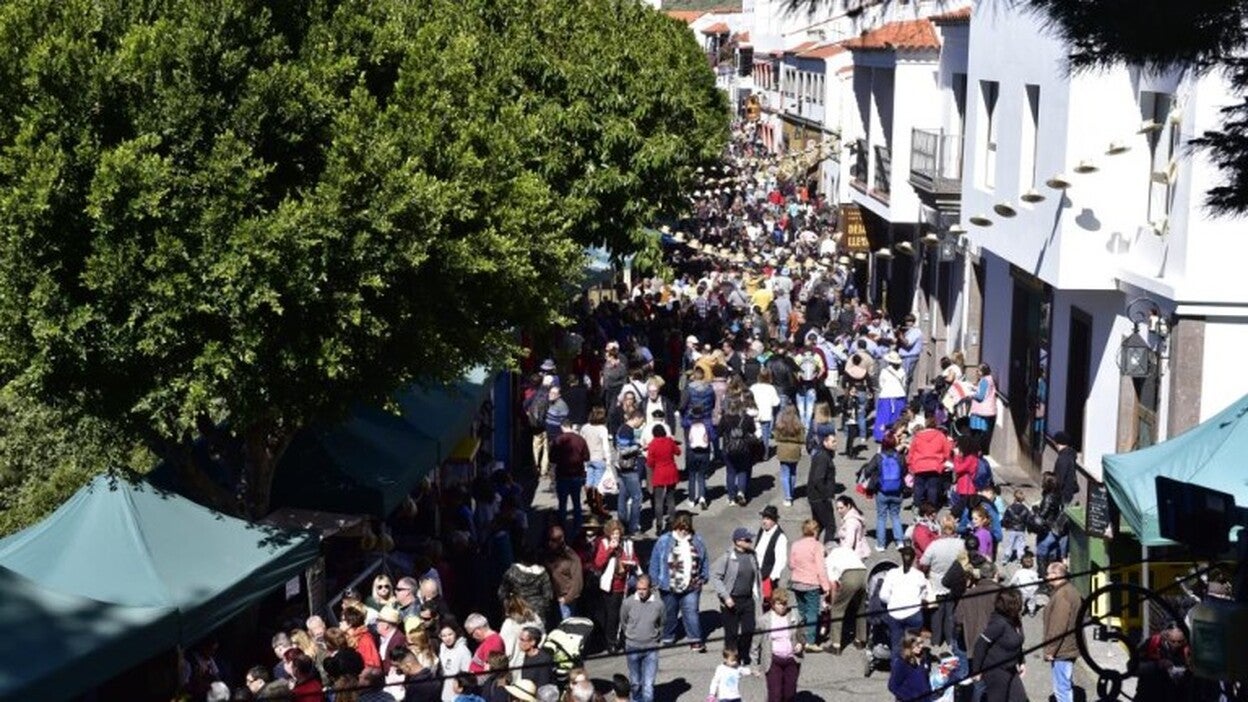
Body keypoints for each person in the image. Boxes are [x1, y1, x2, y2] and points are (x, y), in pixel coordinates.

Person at [649, 512, 709, 650]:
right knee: (669, 613)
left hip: (692, 585)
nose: (683, 531)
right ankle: (668, 636)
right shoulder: (664, 540)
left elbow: (704, 559)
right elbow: (655, 561)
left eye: (686, 528)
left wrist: (704, 576)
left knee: (691, 612)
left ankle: (695, 639)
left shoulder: (697, 540)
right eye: (680, 528)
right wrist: (653, 580)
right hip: (668, 585)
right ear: (675, 526)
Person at [711, 526, 764, 672]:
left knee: (748, 630)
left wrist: (760, 594)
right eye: (747, 539)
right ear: (737, 541)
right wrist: (726, 597)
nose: (750, 541)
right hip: (731, 600)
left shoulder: (752, 555)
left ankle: (741, 656)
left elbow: (757, 576)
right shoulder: (727, 557)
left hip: (747, 599)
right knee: (731, 634)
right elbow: (716, 577)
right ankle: (731, 660)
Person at [593, 519, 641, 654]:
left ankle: (624, 640)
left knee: (626, 614)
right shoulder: (604, 543)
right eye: (613, 534)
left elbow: (635, 559)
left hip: (625, 584)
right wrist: (610, 550)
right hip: (612, 586)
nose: (616, 536)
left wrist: (632, 563)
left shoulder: (627, 543)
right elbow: (598, 562)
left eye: (618, 533)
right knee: (612, 616)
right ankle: (611, 642)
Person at [920, 515, 966, 649]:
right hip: (954, 583)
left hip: (936, 583)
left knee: (937, 614)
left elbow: (924, 562)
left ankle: (936, 640)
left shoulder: (934, 545)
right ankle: (950, 639)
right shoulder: (961, 544)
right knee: (951, 612)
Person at [972, 589, 1027, 702]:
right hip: (996, 671)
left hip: (1011, 668)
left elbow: (1018, 642)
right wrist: (976, 670)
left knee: (1019, 698)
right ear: (1010, 605)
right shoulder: (998, 623)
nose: (1021, 604)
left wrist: (1021, 661)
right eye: (1019, 602)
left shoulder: (1015, 619)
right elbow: (980, 645)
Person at [786, 518, 831, 650]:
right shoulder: (817, 546)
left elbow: (791, 565)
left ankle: (800, 636)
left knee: (802, 610)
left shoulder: (795, 544)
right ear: (815, 531)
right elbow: (821, 568)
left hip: (797, 583)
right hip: (811, 583)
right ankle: (810, 642)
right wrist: (826, 586)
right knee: (812, 612)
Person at [879, 546, 930, 660]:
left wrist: (892, 602)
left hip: (895, 613)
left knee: (896, 644)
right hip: (914, 613)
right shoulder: (919, 575)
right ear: (913, 559)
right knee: (914, 644)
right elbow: (924, 594)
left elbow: (883, 595)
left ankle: (897, 668)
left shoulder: (892, 573)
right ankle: (913, 666)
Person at [620, 574, 664, 702]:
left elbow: (662, 623)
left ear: (650, 588)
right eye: (639, 588)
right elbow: (623, 621)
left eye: (644, 589)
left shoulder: (658, 604)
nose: (641, 592)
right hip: (633, 647)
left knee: (648, 685)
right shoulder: (628, 603)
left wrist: (655, 637)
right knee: (635, 682)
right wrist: (631, 635)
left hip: (651, 648)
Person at [755, 588, 803, 702]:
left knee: (789, 695)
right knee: (775, 695)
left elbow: (801, 633)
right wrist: (754, 665)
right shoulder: (764, 620)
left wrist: (801, 643)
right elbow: (755, 643)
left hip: (792, 659)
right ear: (772, 604)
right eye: (779, 603)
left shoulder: (794, 616)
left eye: (784, 604)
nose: (782, 606)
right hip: (773, 660)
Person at [1043, 562, 1082, 702]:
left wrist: (1050, 650)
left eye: (1048, 574)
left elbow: (1058, 626)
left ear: (1056, 575)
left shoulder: (1062, 595)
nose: (1047, 577)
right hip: (1069, 645)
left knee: (1061, 689)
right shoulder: (1070, 590)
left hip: (1063, 649)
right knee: (1065, 683)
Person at [1132, 623, 1199, 702]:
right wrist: (1156, 665)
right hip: (1148, 695)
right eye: (1173, 641)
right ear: (1165, 637)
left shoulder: (1190, 649)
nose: (1176, 645)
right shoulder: (1152, 644)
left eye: (1181, 642)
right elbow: (1132, 668)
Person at [863, 434, 907, 550]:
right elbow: (905, 471)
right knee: (895, 516)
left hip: (882, 491)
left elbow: (867, 470)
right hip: (897, 491)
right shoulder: (900, 457)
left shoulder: (878, 457)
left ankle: (881, 544)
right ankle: (900, 542)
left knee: (881, 517)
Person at [824, 543, 868, 654]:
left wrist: (833, 603)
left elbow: (833, 584)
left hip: (849, 576)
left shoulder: (830, 558)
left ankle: (836, 645)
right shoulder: (847, 549)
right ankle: (860, 640)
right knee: (860, 608)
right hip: (864, 574)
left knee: (837, 609)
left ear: (827, 551)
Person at [550, 420, 590, 535]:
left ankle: (562, 528)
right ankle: (577, 528)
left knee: (562, 504)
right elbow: (586, 457)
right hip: (577, 475)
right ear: (571, 426)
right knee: (576, 503)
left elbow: (552, 458)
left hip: (562, 475)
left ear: (562, 427)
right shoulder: (580, 440)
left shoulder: (558, 440)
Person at [720, 398, 760, 506]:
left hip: (728, 448)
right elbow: (753, 430)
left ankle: (731, 497)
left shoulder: (725, 418)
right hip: (744, 448)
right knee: (742, 470)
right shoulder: (746, 418)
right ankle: (741, 492)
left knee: (731, 472)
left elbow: (719, 432)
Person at [908, 415, 952, 509]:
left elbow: (911, 452)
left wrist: (910, 464)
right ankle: (931, 508)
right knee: (933, 487)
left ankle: (917, 506)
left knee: (918, 487)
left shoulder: (918, 436)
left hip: (919, 464)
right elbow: (947, 451)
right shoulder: (940, 436)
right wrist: (943, 462)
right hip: (935, 465)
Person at [646, 424, 682, 533]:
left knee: (658, 500)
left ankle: (659, 523)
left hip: (659, 472)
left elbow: (650, 462)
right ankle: (672, 521)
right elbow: (678, 452)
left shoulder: (652, 444)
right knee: (670, 498)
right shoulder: (669, 441)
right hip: (671, 471)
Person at [615, 410, 646, 536]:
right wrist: (638, 448)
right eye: (641, 421)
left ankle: (622, 523)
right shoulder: (627, 430)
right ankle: (633, 527)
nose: (641, 424)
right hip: (629, 468)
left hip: (621, 467)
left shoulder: (622, 428)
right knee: (637, 497)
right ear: (636, 418)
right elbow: (624, 450)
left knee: (623, 495)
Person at [543, 525, 584, 621]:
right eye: (549, 540)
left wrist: (567, 599)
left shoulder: (572, 557)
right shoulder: (548, 554)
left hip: (565, 600)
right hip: (551, 598)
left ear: (561, 539)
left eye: (553, 540)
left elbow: (577, 582)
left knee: (565, 629)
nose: (550, 543)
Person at [580, 407, 613, 520]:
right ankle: (599, 508)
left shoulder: (585, 428)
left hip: (588, 458)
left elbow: (582, 442)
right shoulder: (602, 429)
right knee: (599, 485)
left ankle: (591, 504)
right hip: (599, 458)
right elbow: (605, 446)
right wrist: (608, 461)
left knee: (589, 482)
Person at [808, 428, 839, 542]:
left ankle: (811, 547)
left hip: (815, 496)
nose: (836, 443)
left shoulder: (824, 454)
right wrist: (826, 495)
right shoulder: (823, 457)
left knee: (818, 526)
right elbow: (818, 479)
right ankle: (826, 551)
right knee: (830, 526)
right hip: (820, 498)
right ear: (825, 442)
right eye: (833, 441)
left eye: (835, 441)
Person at [755, 505, 789, 606]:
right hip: (758, 572)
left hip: (768, 575)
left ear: (774, 521)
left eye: (768, 519)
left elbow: (781, 559)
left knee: (769, 601)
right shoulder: (762, 531)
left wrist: (772, 577)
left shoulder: (780, 537)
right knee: (762, 599)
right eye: (764, 518)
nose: (764, 521)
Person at [500, 594, 544, 671]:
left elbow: (506, 649)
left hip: (515, 665)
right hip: (535, 662)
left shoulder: (509, 624)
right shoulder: (536, 619)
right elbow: (543, 636)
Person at [772, 406, 805, 507]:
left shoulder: (780, 424)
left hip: (783, 449)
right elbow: (802, 439)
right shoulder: (798, 425)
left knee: (784, 473)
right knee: (793, 472)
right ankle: (791, 491)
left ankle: (787, 496)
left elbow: (776, 437)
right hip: (795, 449)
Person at [684, 405, 715, 510]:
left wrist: (688, 414)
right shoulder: (707, 423)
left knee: (692, 475)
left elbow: (683, 422)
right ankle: (702, 497)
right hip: (704, 452)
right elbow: (713, 436)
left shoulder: (689, 423)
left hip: (692, 451)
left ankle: (692, 499)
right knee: (701, 475)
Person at [874, 351, 908, 442]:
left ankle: (881, 436)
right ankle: (896, 434)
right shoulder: (902, 371)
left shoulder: (884, 371)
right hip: (899, 395)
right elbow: (904, 384)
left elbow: (881, 384)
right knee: (897, 417)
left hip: (886, 395)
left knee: (883, 416)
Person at [888, 633, 932, 702]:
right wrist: (912, 697)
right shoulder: (901, 663)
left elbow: (926, 679)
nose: (921, 646)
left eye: (922, 643)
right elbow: (893, 686)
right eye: (917, 644)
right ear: (909, 645)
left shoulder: (925, 658)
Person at [750, 367, 782, 453]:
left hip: (755, 413)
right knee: (765, 434)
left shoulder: (753, 387)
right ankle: (765, 453)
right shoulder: (771, 388)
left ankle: (754, 452)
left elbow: (749, 399)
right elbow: (776, 402)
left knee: (755, 433)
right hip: (766, 414)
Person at [968, 364, 997, 455]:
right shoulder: (990, 379)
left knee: (978, 432)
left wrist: (971, 394)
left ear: (983, 371)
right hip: (988, 410)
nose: (977, 372)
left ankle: (977, 451)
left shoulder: (984, 380)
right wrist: (975, 388)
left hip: (981, 410)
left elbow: (980, 396)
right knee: (984, 432)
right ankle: (983, 450)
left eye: (979, 371)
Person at [438, 625, 472, 702]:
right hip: (444, 693)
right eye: (444, 636)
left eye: (450, 634)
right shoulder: (442, 647)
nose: (447, 638)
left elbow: (466, 675)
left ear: (455, 633)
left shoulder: (463, 651)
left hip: (458, 696)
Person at [1000, 490, 1033, 565]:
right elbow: (1028, 520)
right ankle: (1020, 559)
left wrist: (1005, 525)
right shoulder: (1025, 509)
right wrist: (1029, 528)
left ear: (1014, 497)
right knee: (1020, 545)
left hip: (1012, 529)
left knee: (1009, 544)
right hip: (1021, 529)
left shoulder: (1010, 508)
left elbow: (1005, 518)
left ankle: (1006, 558)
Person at [1052, 431, 1080, 507]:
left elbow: (1060, 478)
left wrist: (1053, 493)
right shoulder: (1070, 455)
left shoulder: (1063, 458)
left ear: (1056, 443)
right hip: (1068, 492)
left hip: (1062, 495)